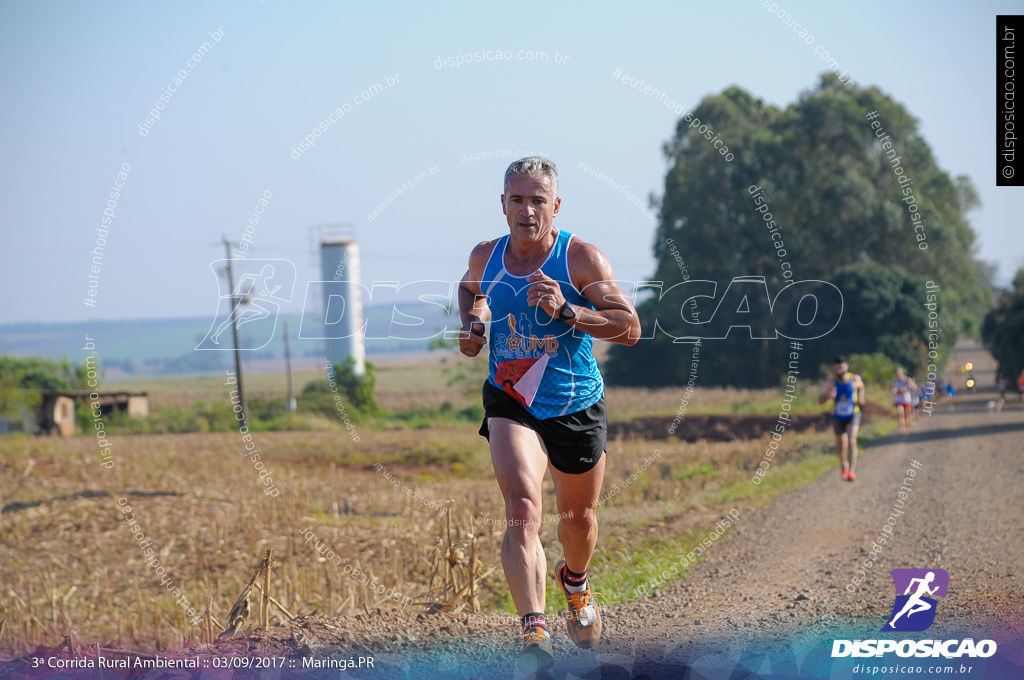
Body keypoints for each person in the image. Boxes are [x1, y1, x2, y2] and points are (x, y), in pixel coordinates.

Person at [457, 157, 641, 673]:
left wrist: (569, 310)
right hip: (511, 399)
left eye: (538, 200)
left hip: (574, 404)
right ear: (503, 205)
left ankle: (576, 582)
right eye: (517, 199)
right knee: (521, 504)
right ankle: (534, 630)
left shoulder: (580, 258)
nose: (527, 210)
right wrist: (473, 322)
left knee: (578, 520)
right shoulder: (485, 256)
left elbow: (630, 327)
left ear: (555, 206)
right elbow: (470, 290)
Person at [818, 356, 866, 481]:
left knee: (851, 441)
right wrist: (829, 395)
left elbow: (862, 386)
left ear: (847, 366)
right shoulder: (831, 382)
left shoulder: (854, 378)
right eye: (836, 365)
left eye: (841, 365)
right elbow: (820, 400)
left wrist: (861, 397)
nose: (839, 367)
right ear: (834, 367)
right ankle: (844, 465)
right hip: (838, 416)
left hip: (853, 414)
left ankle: (851, 471)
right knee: (841, 444)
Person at [892, 368, 913, 434]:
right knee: (901, 414)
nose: (898, 375)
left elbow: (911, 387)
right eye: (897, 374)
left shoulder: (906, 379)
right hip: (898, 400)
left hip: (906, 400)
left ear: (902, 373)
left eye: (899, 373)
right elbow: (894, 388)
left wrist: (906, 388)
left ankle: (906, 428)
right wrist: (894, 390)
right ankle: (902, 428)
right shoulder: (895, 381)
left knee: (906, 415)